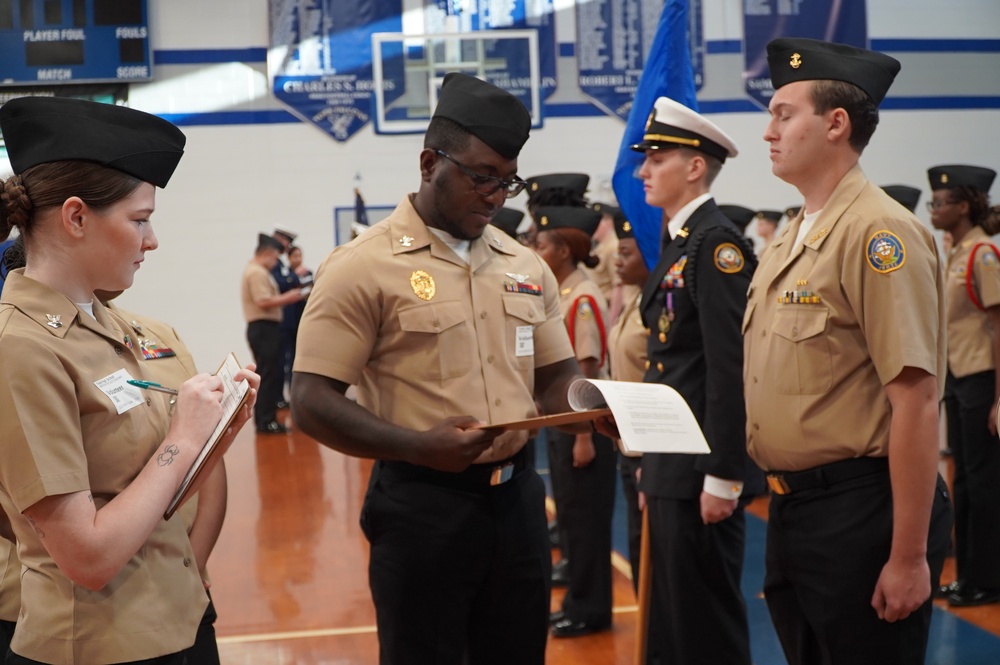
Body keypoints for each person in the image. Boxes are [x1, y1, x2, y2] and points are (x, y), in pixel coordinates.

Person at [290, 72, 584, 665]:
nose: (497, 197)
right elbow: (312, 400)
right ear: (429, 163)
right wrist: (417, 446)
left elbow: (557, 376)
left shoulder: (525, 265)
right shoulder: (360, 267)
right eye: (481, 177)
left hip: (519, 503)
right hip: (423, 508)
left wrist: (591, 409)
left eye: (508, 182)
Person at [0, 95, 259, 664]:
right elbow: (86, 557)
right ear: (75, 218)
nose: (152, 241)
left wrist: (219, 431)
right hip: (98, 645)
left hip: (175, 620)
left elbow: (155, 499)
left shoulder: (116, 327)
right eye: (139, 220)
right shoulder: (21, 346)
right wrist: (183, 438)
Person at [743, 38, 953, 665]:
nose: (768, 131)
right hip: (794, 508)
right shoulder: (791, 236)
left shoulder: (877, 232)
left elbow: (915, 399)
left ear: (836, 124)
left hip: (861, 513)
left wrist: (909, 556)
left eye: (784, 113)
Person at [627, 95, 763, 665]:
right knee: (670, 619)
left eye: (656, 158)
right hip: (672, 464)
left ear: (695, 166)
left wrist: (724, 476)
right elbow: (671, 364)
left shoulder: (717, 246)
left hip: (700, 468)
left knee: (704, 624)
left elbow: (730, 369)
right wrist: (650, 464)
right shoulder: (685, 242)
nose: (643, 171)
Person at [533, 205, 617, 638]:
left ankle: (590, 609)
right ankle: (579, 603)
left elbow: (585, 370)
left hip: (584, 427)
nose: (535, 250)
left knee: (585, 525)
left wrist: (583, 437)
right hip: (566, 423)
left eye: (542, 244)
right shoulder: (564, 291)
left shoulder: (581, 296)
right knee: (571, 519)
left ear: (564, 250)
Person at [927, 164, 1000, 607]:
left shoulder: (983, 254)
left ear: (965, 205)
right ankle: (970, 575)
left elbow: (998, 325)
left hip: (980, 382)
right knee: (967, 484)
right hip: (958, 379)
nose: (933, 209)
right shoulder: (956, 253)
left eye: (940, 203)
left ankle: (989, 581)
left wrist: (998, 399)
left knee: (986, 483)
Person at [606, 211, 649, 590]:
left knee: (653, 561)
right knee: (639, 555)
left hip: (650, 453)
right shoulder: (635, 303)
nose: (617, 261)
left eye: (626, 253)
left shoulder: (656, 311)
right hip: (628, 447)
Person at [241, 232, 303, 434]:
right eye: (275, 257)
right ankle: (266, 421)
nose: (276, 262)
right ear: (267, 254)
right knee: (269, 375)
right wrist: (289, 297)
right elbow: (263, 301)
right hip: (264, 328)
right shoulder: (257, 272)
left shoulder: (256, 271)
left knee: (271, 373)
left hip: (265, 328)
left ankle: (267, 419)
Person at [280, 244, 313, 398]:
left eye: (300, 255)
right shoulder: (284, 273)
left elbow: (309, 291)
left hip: (301, 319)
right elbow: (284, 291)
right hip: (287, 321)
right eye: (295, 255)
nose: (298, 259)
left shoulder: (307, 273)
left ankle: (298, 389)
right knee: (287, 356)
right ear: (289, 257)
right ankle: (287, 390)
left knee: (299, 355)